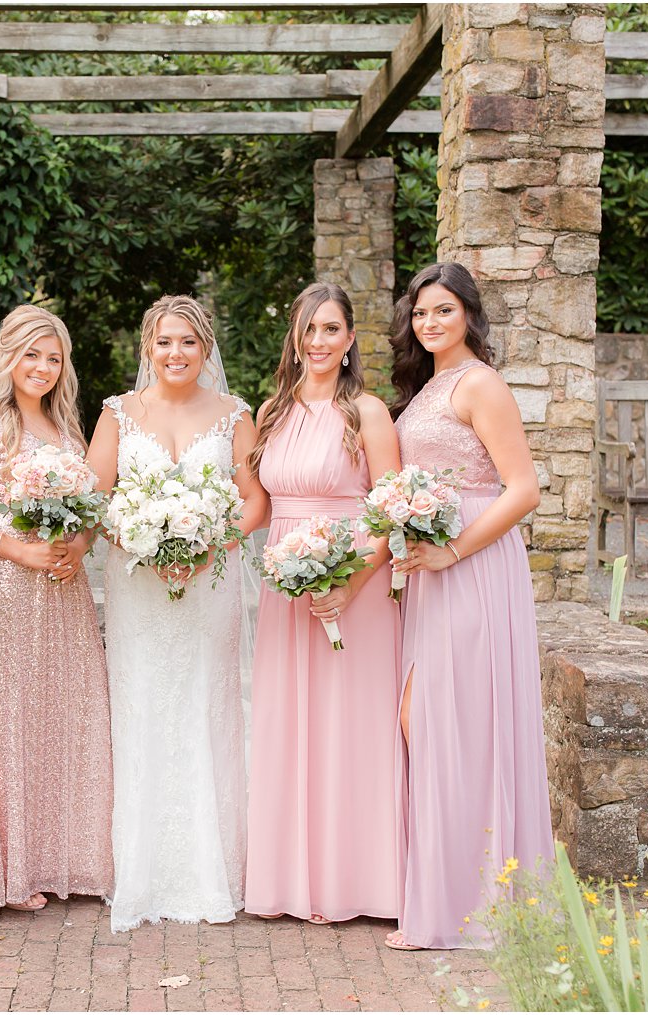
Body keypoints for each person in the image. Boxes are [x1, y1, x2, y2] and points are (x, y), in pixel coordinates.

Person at [86, 294, 269, 932]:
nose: (175, 354)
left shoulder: (234, 416)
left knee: (204, 708)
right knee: (141, 709)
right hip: (139, 590)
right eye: (164, 342)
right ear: (147, 347)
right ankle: (140, 874)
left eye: (188, 342)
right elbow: (95, 498)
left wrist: (208, 543)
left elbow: (253, 502)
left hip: (207, 590)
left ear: (206, 348)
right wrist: (141, 538)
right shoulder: (117, 414)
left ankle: (208, 870)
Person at [386, 261, 552, 950]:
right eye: (422, 312)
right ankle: (450, 892)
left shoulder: (481, 382)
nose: (430, 323)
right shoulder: (428, 387)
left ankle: (466, 904)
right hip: (432, 568)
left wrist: (453, 549)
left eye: (444, 311)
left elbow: (523, 489)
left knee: (452, 722)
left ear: (470, 316)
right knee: (423, 718)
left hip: (474, 568)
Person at [243, 282, 405, 925]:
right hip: (285, 588)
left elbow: (390, 510)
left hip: (352, 585)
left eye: (331, 329)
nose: (318, 342)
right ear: (295, 337)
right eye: (309, 329)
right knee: (292, 724)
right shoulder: (270, 413)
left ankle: (358, 882)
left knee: (351, 725)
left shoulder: (367, 412)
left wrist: (349, 583)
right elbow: (254, 508)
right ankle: (296, 882)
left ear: (350, 340)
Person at [0, 304, 115, 912]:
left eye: (53, 357)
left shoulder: (72, 432)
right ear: (9, 358)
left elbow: (92, 512)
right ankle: (14, 870)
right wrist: (20, 551)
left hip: (64, 591)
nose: (42, 368)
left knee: (67, 718)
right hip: (9, 589)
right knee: (13, 721)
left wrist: (77, 545)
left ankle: (69, 859)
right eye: (31, 355)